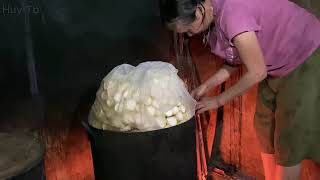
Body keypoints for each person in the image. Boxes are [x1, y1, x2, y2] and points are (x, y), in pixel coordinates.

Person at [159, 0, 320, 179]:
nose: (189, 35)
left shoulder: (232, 13)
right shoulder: (214, 15)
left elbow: (257, 72)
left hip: (304, 56)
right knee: (264, 128)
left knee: (289, 137)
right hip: (275, 64)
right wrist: (205, 86)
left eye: (188, 30)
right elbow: (236, 60)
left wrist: (218, 100)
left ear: (198, 11)